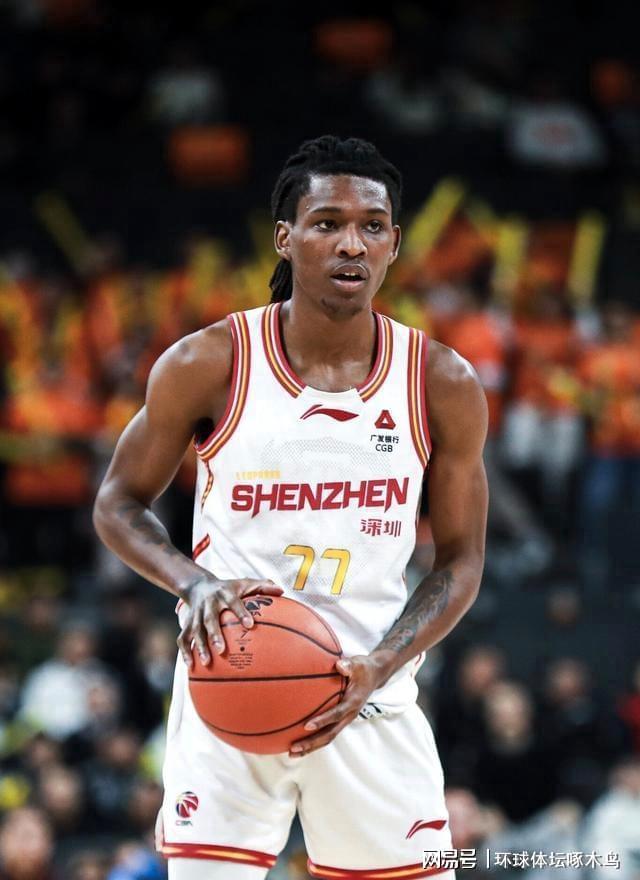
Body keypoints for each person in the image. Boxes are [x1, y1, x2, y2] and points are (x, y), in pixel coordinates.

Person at [93, 136, 488, 880]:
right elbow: (117, 504)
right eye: (327, 223)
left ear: (395, 243)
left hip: (371, 695)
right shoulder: (209, 361)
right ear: (285, 237)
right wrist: (193, 582)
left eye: (372, 226)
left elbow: (462, 560)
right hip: (231, 680)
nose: (351, 244)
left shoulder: (441, 381)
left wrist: (385, 661)